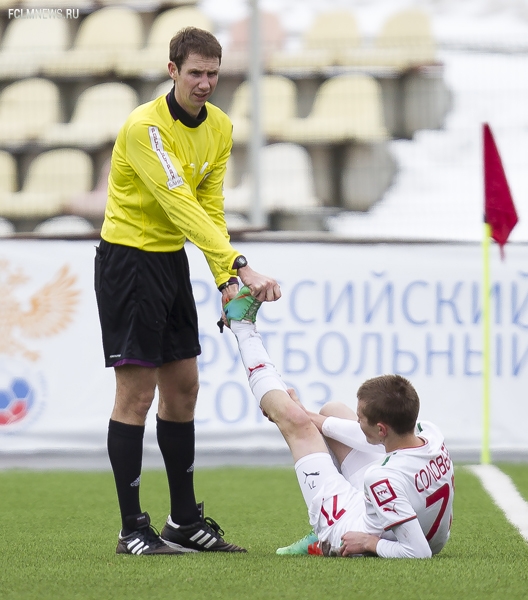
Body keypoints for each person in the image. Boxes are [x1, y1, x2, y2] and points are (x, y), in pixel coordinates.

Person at [94, 27, 281, 556]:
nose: (205, 83)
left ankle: (182, 522)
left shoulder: (219, 126)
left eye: (213, 73)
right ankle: (132, 528)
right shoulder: (144, 127)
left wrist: (223, 278)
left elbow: (210, 207)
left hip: (170, 262)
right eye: (195, 72)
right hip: (128, 262)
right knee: (137, 396)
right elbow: (180, 205)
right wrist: (240, 265)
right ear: (172, 70)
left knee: (184, 391)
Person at [222, 288, 455, 559]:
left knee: (294, 422)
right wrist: (313, 416)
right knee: (330, 411)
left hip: (353, 526)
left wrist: (369, 544)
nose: (356, 420)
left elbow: (419, 553)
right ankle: (312, 427)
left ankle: (242, 327)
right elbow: (357, 434)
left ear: (381, 430)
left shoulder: (381, 478)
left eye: (361, 418)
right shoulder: (430, 433)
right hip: (404, 515)